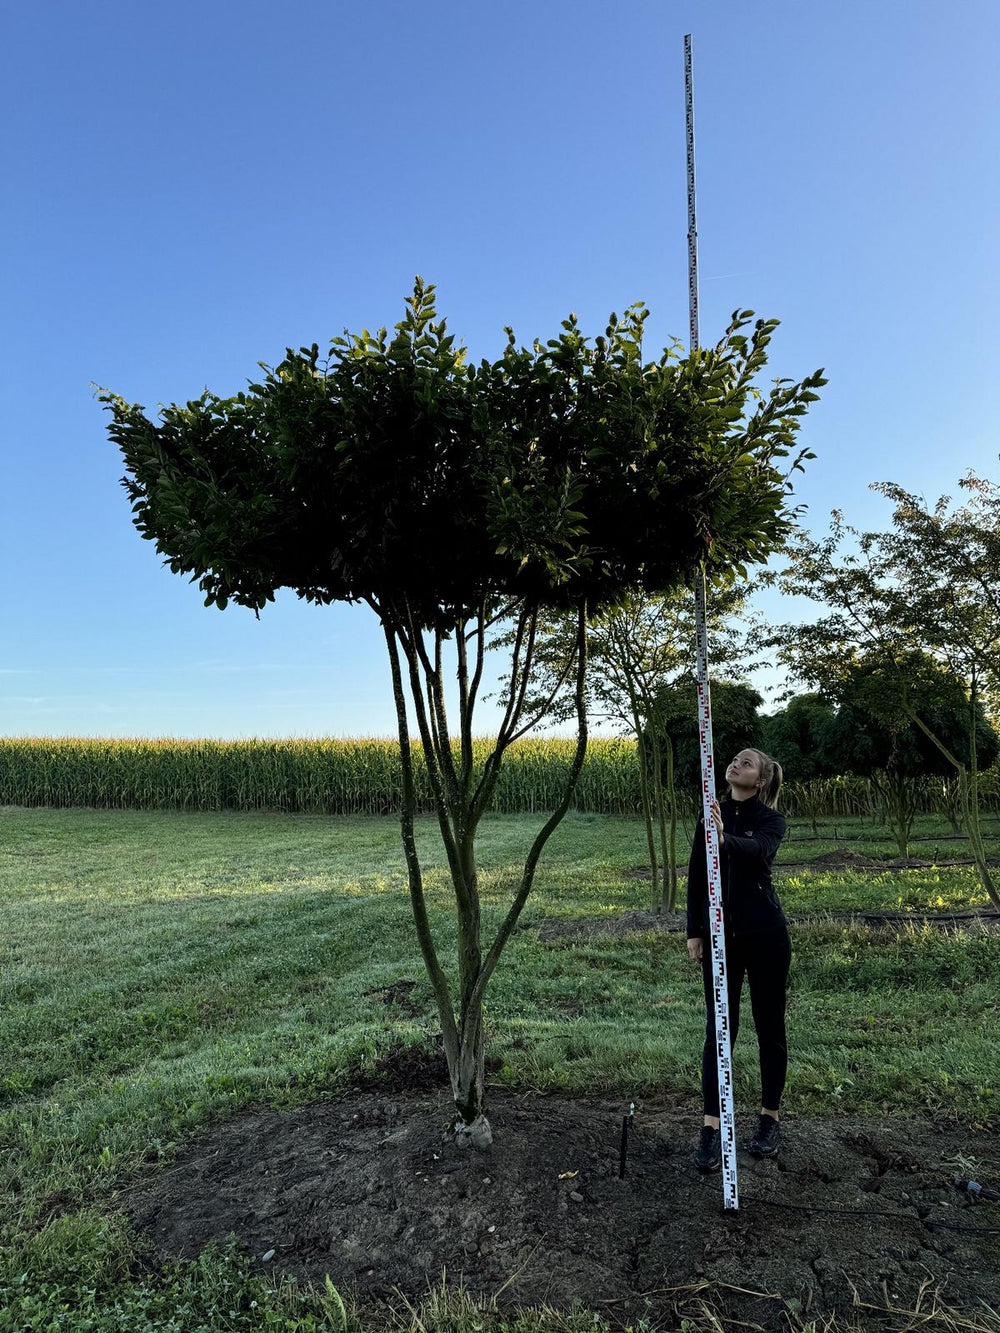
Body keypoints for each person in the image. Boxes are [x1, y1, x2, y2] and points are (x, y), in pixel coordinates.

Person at [685, 748, 789, 1172]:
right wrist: (695, 930)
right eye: (734, 760)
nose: (735, 765)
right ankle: (712, 1125)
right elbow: (697, 873)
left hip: (765, 936)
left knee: (769, 1028)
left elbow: (758, 850)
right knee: (719, 1030)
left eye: (747, 763)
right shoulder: (711, 814)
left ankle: (769, 1118)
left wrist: (724, 838)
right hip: (719, 938)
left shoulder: (770, 820)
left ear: (761, 780)